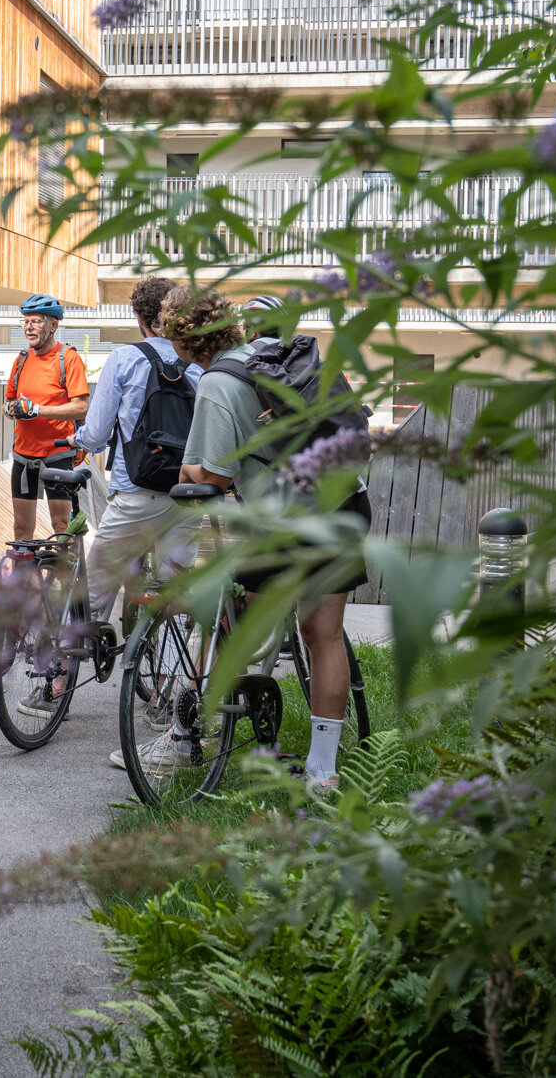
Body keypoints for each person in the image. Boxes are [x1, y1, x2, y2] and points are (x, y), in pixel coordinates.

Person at [168, 287, 370, 795]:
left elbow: (210, 478)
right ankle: (323, 771)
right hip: (343, 504)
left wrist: (188, 467)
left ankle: (201, 725)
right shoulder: (289, 357)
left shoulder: (218, 380)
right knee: (323, 634)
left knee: (238, 617)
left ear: (184, 339)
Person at [69, 278, 205, 756]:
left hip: (136, 495)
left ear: (139, 318)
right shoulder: (198, 366)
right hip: (188, 495)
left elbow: (98, 430)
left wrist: (78, 442)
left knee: (96, 588)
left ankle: (55, 682)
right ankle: (164, 696)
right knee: (174, 592)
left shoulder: (125, 359)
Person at [5, 294, 90, 541]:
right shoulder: (21, 359)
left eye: (35, 321)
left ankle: (65, 579)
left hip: (58, 455)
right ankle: (22, 581)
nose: (28, 327)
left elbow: (81, 407)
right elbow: (9, 401)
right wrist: (11, 409)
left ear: (53, 325)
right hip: (23, 454)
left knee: (61, 526)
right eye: (25, 321)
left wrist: (37, 410)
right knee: (21, 528)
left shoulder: (68, 358)